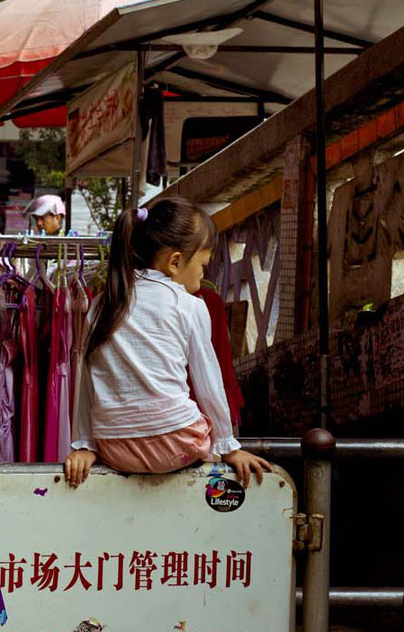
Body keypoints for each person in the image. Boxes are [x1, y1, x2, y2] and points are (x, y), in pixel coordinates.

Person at [64, 198, 270, 489]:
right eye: (202, 265)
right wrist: (228, 445)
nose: (203, 275)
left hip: (114, 449)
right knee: (200, 428)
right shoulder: (189, 305)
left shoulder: (100, 305)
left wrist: (85, 444)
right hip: (178, 444)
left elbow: (86, 380)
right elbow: (209, 382)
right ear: (175, 262)